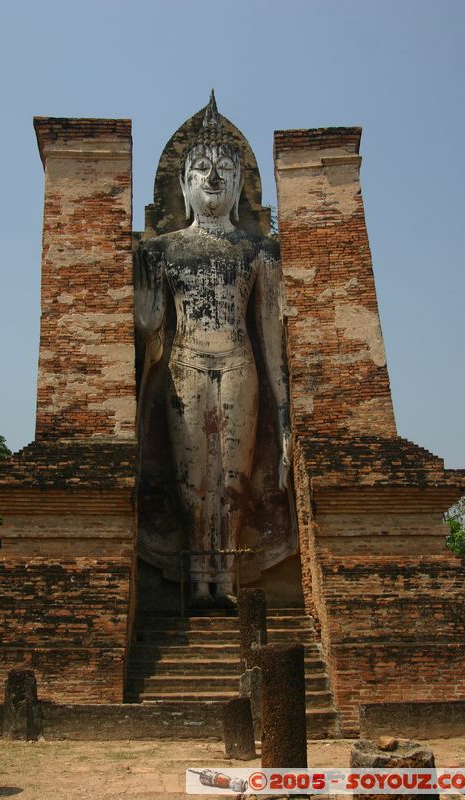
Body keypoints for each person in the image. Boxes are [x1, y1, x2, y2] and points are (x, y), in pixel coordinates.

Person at [135, 93, 290, 608]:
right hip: (185, 364)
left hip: (240, 362)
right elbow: (153, 326)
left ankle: (228, 580)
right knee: (191, 480)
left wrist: (285, 416)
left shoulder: (258, 251)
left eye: (225, 168)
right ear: (184, 183)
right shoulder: (161, 250)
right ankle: (196, 580)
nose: (214, 179)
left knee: (232, 477)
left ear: (241, 183)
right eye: (201, 169)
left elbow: (271, 337)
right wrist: (143, 319)